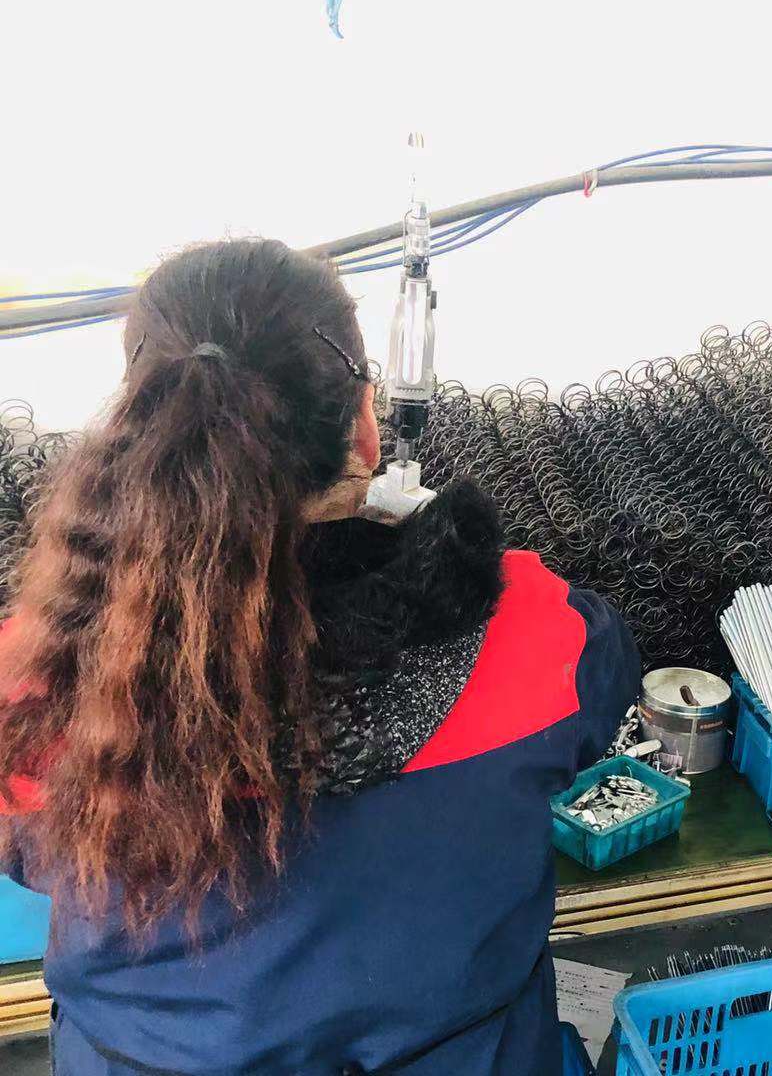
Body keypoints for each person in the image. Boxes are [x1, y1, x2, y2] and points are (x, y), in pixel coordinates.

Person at [0, 239, 639, 1075]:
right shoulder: (534, 634)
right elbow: (605, 681)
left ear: (139, 428)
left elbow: (28, 856)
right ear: (364, 425)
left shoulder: (39, 681)